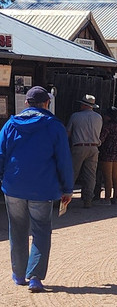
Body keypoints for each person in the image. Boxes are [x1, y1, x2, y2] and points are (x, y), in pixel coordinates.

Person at [0, 86, 74, 293]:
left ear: (26, 103)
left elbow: (0, 154)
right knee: (41, 230)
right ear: (47, 103)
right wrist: (67, 188)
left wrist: (3, 178)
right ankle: (35, 277)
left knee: (17, 229)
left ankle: (18, 274)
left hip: (13, 186)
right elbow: (64, 160)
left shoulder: (10, 125)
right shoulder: (54, 126)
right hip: (42, 188)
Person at [67, 93, 102, 209]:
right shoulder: (98, 117)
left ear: (83, 105)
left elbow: (68, 133)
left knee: (72, 173)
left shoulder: (75, 116)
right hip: (94, 147)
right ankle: (88, 200)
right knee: (90, 175)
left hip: (79, 146)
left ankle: (65, 199)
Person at [98, 106, 117, 205]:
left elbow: (102, 139)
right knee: (115, 176)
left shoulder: (107, 126)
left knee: (107, 176)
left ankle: (107, 198)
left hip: (107, 153)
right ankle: (115, 197)